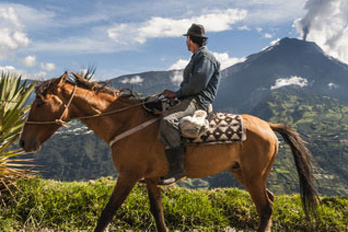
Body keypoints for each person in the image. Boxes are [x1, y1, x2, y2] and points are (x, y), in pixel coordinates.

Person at [158, 23, 221, 185]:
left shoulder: (206, 57)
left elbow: (197, 84)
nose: (186, 42)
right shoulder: (198, 56)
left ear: (190, 39)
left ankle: (178, 169)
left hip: (198, 101)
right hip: (189, 99)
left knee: (167, 121)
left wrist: (177, 94)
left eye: (186, 38)